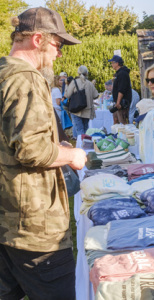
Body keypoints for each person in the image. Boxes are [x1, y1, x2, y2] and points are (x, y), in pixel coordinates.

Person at [0, 7, 87, 300]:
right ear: (38, 39)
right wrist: (71, 156)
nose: (59, 55)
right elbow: (31, 148)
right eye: (57, 45)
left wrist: (54, 147)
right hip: (35, 231)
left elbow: (14, 141)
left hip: (7, 222)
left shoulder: (3, 72)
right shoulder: (27, 78)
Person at [64, 65, 99, 137]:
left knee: (79, 130)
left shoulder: (74, 82)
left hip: (76, 109)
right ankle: (86, 145)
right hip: (87, 110)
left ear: (78, 73)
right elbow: (96, 95)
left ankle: (81, 145)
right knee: (86, 130)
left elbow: (67, 95)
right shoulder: (90, 83)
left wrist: (67, 86)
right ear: (87, 73)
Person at [108, 55, 132, 124]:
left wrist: (118, 102)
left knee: (122, 122)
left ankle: (123, 135)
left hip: (122, 103)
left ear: (117, 63)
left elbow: (121, 89)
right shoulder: (119, 73)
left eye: (112, 63)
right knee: (116, 120)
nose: (112, 64)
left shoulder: (122, 74)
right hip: (119, 103)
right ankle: (116, 134)